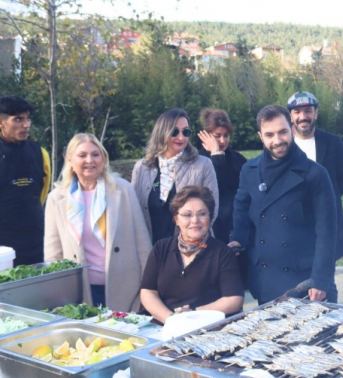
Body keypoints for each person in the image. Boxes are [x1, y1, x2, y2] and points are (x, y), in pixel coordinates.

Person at [229, 105, 338, 303]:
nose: (277, 140)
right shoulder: (249, 170)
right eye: (269, 135)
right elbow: (241, 209)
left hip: (304, 281)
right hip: (265, 278)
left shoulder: (315, 174)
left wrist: (321, 279)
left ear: (292, 130)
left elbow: (327, 232)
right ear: (260, 137)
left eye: (282, 132)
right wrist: (237, 239)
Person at [45, 134, 152, 311]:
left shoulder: (123, 189)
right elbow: (53, 254)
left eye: (95, 154)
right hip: (79, 292)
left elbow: (142, 242)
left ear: (103, 159)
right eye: (82, 155)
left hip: (125, 288)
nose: (90, 160)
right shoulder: (56, 198)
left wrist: (148, 286)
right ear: (70, 160)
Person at [140, 185, 243, 324]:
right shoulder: (161, 248)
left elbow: (234, 299)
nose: (195, 220)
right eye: (187, 215)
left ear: (210, 217)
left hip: (206, 327)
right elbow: (148, 291)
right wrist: (171, 319)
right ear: (176, 219)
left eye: (202, 214)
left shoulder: (222, 253)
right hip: (163, 325)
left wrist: (193, 314)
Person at [132, 109, 219, 244]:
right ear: (162, 132)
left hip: (193, 248)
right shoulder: (141, 168)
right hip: (151, 249)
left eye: (186, 132)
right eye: (174, 132)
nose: (181, 137)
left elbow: (212, 210)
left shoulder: (203, 165)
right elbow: (134, 213)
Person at [287, 91, 343, 260]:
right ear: (291, 116)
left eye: (308, 111)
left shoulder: (333, 142)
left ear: (316, 113)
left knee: (325, 272)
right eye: (297, 112)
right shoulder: (284, 144)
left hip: (326, 224)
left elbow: (342, 181)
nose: (303, 117)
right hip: (293, 225)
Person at [0, 96, 50, 266]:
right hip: (3, 248)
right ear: (1, 122)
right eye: (18, 119)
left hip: (37, 241)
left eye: (28, 119)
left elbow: (42, 193)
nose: (26, 125)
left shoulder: (40, 153)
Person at [197, 108, 247, 244]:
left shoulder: (237, 159)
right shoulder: (198, 161)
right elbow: (215, 185)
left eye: (226, 135)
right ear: (206, 135)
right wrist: (216, 154)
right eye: (217, 136)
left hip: (235, 226)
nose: (222, 140)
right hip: (210, 228)